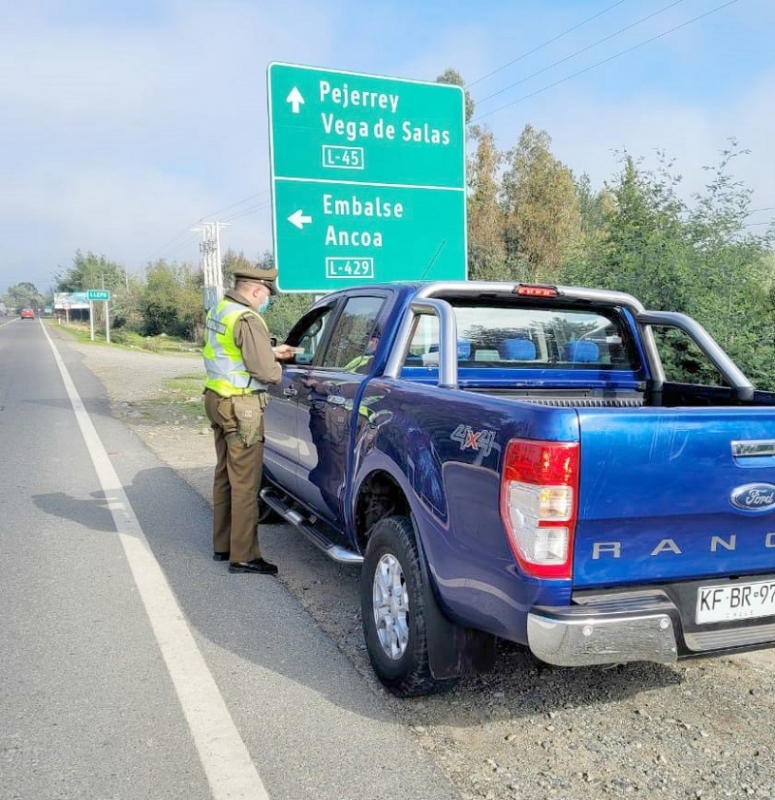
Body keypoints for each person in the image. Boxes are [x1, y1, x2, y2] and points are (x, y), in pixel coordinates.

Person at [202, 266, 294, 575]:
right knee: (245, 483)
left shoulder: (221, 309)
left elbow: (232, 352)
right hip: (242, 407)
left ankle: (223, 545)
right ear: (256, 290)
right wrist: (279, 367)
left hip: (216, 398)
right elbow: (266, 373)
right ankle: (244, 556)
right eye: (267, 295)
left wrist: (269, 351)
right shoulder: (248, 318)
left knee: (225, 476)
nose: (267, 300)